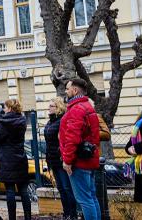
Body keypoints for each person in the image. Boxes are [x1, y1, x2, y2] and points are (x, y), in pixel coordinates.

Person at [59, 78, 101, 220]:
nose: (66, 91)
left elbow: (72, 138)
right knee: (91, 197)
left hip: (79, 161)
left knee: (84, 199)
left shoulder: (77, 109)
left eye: (67, 88)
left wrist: (67, 160)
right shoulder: (87, 106)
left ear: (75, 90)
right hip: (88, 159)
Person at [0, 99, 31, 220]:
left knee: (10, 191)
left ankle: (12, 218)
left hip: (6, 160)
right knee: (24, 190)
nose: (3, 110)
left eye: (4, 107)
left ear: (9, 108)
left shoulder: (4, 123)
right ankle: (28, 217)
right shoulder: (22, 120)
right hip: (20, 158)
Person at [45, 97, 78, 220]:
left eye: (51, 106)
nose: (49, 108)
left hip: (61, 158)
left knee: (66, 187)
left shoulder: (61, 121)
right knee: (61, 188)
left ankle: (73, 214)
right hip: (52, 159)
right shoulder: (50, 122)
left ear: (58, 107)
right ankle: (66, 213)